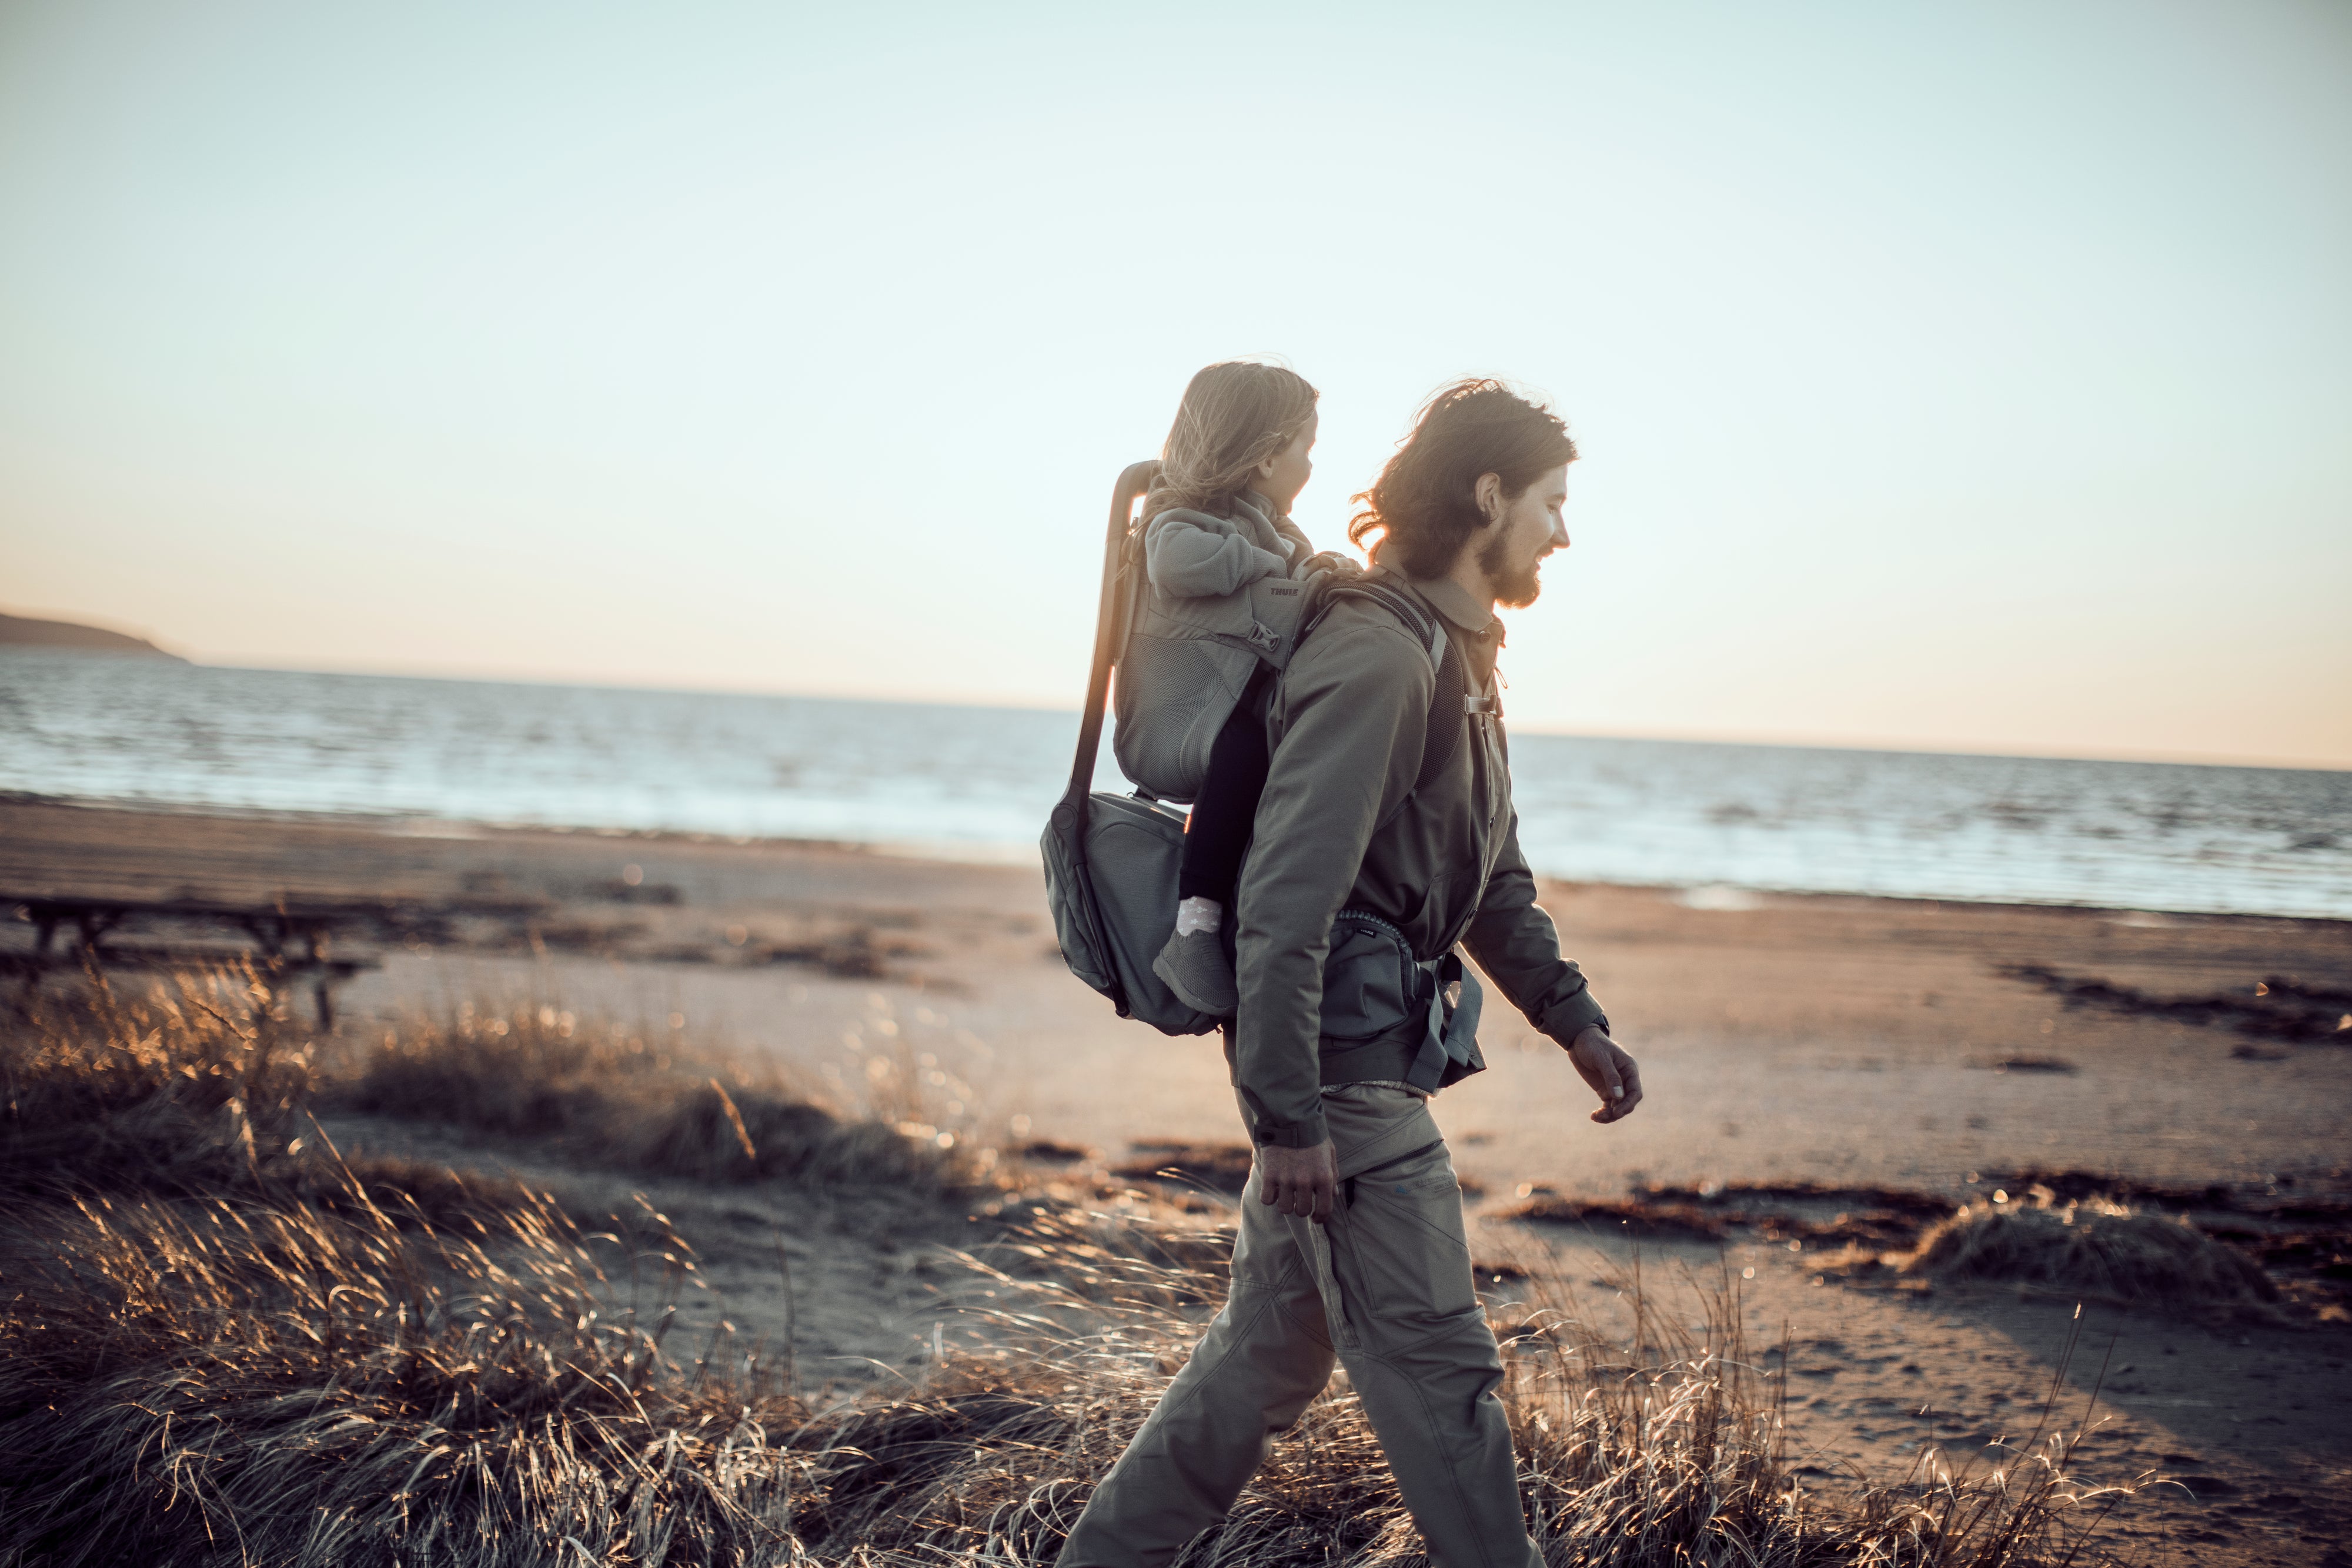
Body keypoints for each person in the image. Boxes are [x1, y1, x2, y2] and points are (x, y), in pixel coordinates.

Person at [1058, 380, 1646, 1568]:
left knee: (1258, 1362)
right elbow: (1283, 901)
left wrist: (1571, 1018)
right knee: (1440, 1371)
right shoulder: (1379, 652)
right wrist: (1285, 1116)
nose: (1563, 532)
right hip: (1339, 1078)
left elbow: (1486, 872)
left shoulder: (1456, 652)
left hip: (1357, 1059)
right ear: (1488, 496)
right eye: (1550, 502)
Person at [1134, 361, 1334, 1018]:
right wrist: (1270, 566)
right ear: (1266, 455)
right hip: (1182, 719)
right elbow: (1175, 561)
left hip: (1230, 709)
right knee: (1249, 747)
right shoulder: (1179, 515)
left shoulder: (1278, 527)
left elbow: (1302, 578)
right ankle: (1196, 922)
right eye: (1307, 447)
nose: (1312, 464)